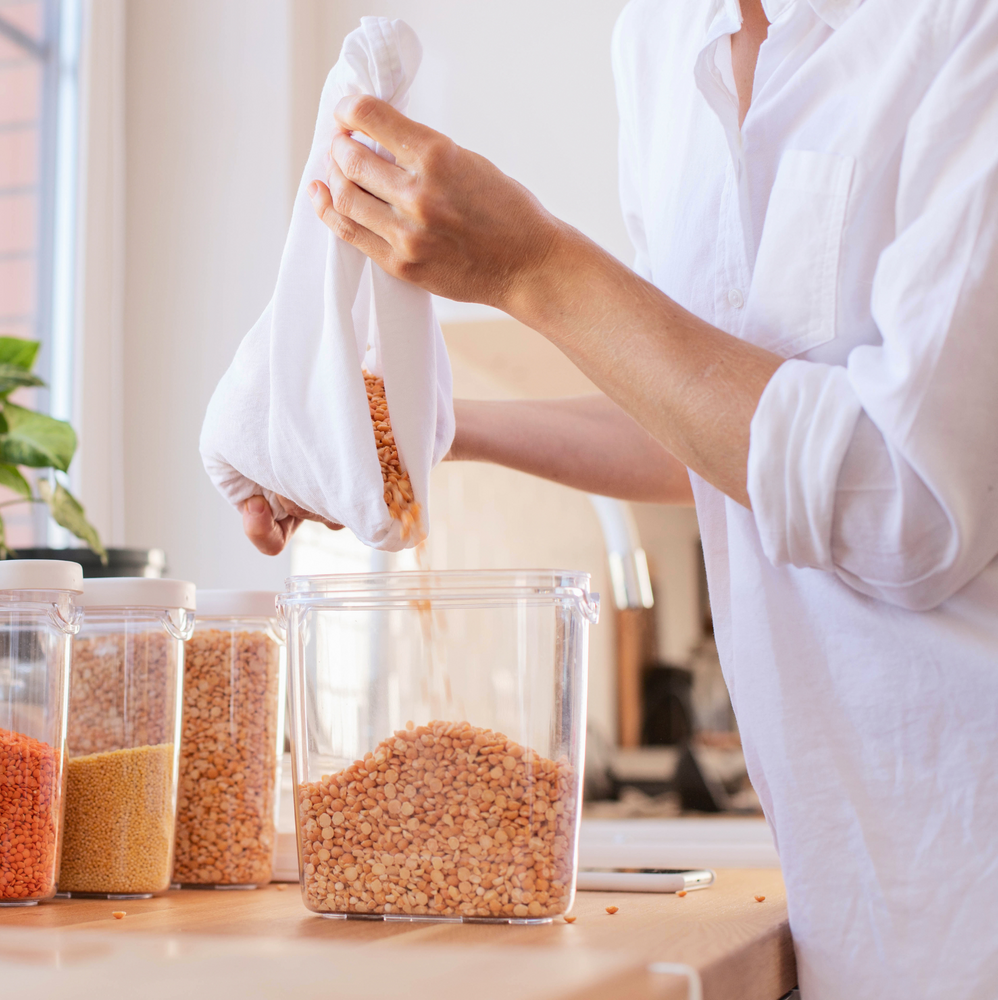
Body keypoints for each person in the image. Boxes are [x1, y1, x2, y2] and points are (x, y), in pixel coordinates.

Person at [238, 1, 998, 996]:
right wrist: (418, 431)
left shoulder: (964, 30)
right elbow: (716, 432)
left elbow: (911, 500)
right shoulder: (658, 37)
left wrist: (534, 267)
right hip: (850, 898)